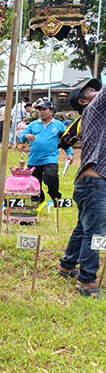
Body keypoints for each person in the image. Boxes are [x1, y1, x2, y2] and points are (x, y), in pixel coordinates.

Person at [58, 77, 105, 298]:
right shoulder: (94, 108)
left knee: (84, 228)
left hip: (91, 183)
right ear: (84, 101)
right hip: (95, 183)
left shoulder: (98, 115)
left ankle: (67, 265)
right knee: (95, 233)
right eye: (92, 91)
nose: (98, 92)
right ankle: (87, 280)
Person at [19, 98, 73, 204]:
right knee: (34, 181)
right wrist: (26, 135)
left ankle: (55, 196)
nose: (41, 112)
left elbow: (65, 141)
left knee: (50, 176)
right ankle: (37, 198)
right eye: (40, 110)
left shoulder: (59, 125)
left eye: (44, 109)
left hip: (50, 158)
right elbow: (22, 136)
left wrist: (70, 153)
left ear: (51, 111)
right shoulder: (33, 124)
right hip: (34, 159)